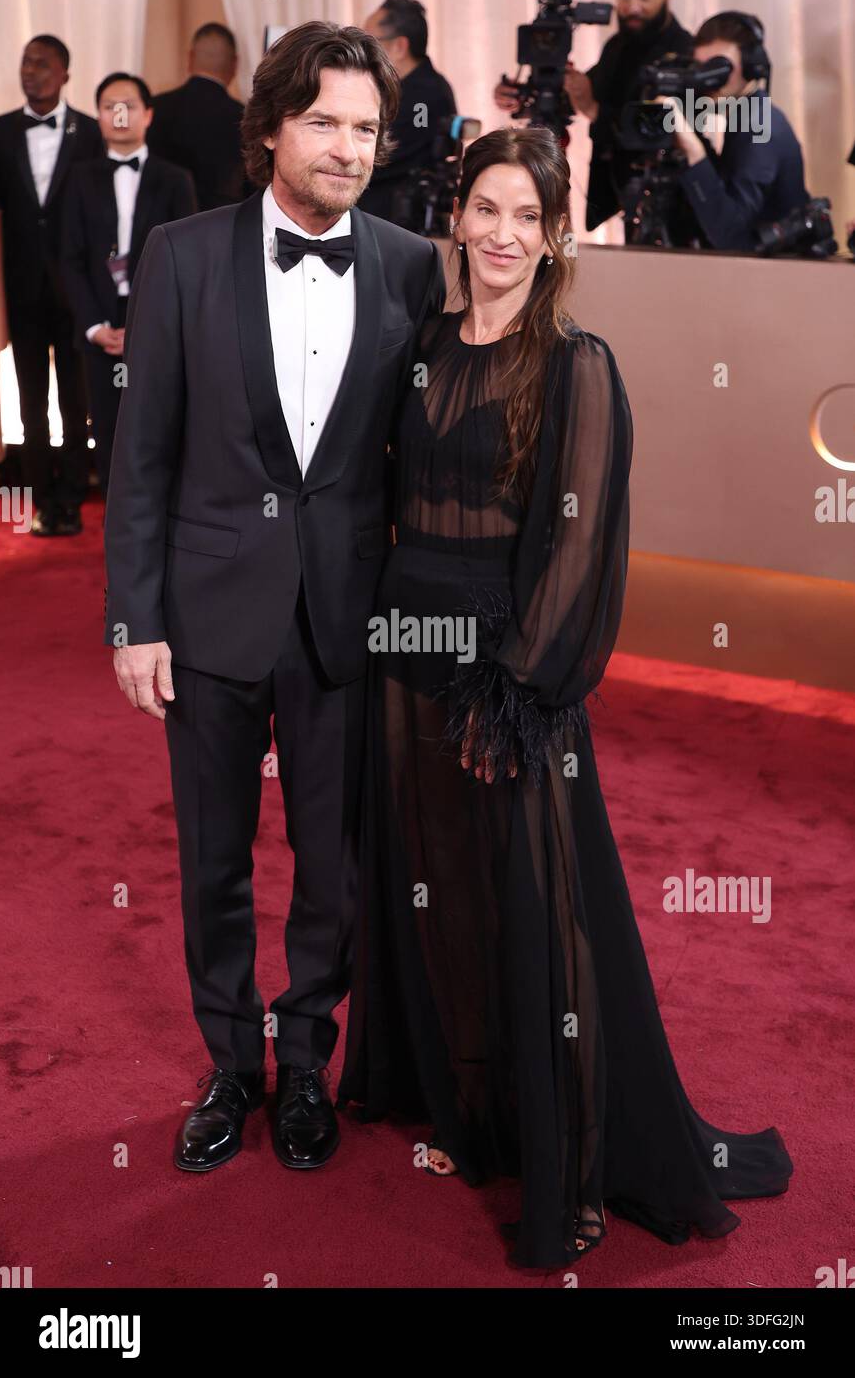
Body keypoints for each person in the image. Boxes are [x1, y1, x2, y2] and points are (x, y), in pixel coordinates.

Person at [337, 125, 794, 1269]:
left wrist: (519, 688)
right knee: (439, 902)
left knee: (540, 911)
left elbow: (582, 548)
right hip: (406, 656)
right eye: (482, 209)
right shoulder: (425, 344)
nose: (499, 234)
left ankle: (571, 1157)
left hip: (508, 674)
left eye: (523, 218)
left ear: (553, 238)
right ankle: (478, 1117)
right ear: (457, 216)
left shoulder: (575, 362)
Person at [103, 22, 445, 1175]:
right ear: (269, 130)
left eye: (364, 127)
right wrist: (133, 618)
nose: (348, 148)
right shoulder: (183, 255)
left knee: (331, 861)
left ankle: (304, 1059)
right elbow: (140, 453)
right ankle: (229, 1066)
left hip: (346, 615)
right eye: (324, 123)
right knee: (212, 857)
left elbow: (415, 460)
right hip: (203, 613)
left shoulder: (407, 262)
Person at [61, 73, 196, 499]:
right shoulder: (78, 178)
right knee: (105, 430)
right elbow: (70, 258)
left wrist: (149, 327)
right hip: (99, 323)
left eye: (129, 105)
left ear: (148, 114)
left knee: (159, 428)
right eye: (109, 106)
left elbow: (187, 263)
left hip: (156, 325)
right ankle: (114, 534)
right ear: (98, 116)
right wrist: (94, 326)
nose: (119, 114)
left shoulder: (176, 179)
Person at [0, 35, 103, 536]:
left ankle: (74, 494)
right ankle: (37, 497)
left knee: (76, 398)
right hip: (20, 285)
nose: (30, 71)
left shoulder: (94, 134)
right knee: (31, 396)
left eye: (41, 63)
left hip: (75, 286)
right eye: (25, 62)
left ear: (65, 72)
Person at [494, 0, 692, 232]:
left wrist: (592, 108)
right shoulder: (617, 46)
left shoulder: (684, 50)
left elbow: (662, 128)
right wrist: (521, 97)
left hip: (666, 200)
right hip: (623, 193)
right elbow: (580, 95)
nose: (632, 7)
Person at [671, 13, 809, 252]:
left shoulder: (760, 127)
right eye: (702, 68)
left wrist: (693, 151)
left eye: (720, 68)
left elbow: (732, 238)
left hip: (782, 278)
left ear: (751, 67)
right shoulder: (745, 115)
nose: (709, 81)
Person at [358, 0, 456, 225]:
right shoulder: (400, 87)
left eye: (369, 43)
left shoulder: (425, 96)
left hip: (393, 222)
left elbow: (384, 156)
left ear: (399, 46)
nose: (361, 51)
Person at [146, 22, 248, 211]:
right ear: (235, 64)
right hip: (223, 227)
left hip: (163, 227)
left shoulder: (155, 108)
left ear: (190, 58)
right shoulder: (245, 117)